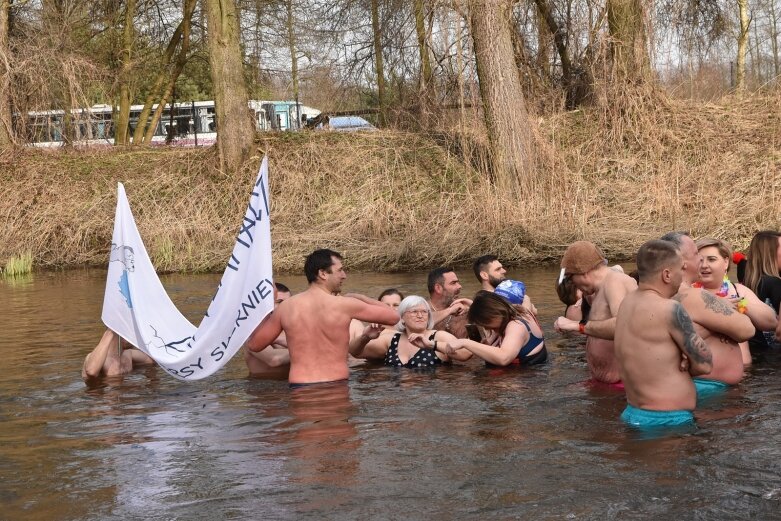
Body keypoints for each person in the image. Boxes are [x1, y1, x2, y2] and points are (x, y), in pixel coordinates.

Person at [245, 249, 400, 385]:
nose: (344, 275)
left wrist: (267, 301)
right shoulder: (345, 304)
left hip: (300, 386)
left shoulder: (286, 307)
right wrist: (360, 297)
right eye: (340, 270)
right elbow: (393, 317)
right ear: (323, 273)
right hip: (335, 384)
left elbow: (255, 345)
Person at [614, 240, 713, 428]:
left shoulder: (627, 303)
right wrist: (686, 362)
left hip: (633, 412)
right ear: (667, 274)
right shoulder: (670, 308)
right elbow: (705, 365)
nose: (682, 276)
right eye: (681, 270)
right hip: (667, 420)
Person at [661, 232, 755, 396]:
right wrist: (721, 321)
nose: (701, 261)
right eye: (697, 254)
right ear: (682, 262)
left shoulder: (653, 295)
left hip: (687, 388)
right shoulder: (697, 297)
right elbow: (746, 330)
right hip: (708, 393)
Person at [553, 241, 637, 385]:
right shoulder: (599, 288)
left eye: (572, 279)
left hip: (622, 386)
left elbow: (621, 326)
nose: (574, 285)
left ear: (584, 272)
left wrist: (577, 325)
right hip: (606, 384)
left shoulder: (615, 282)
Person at [695, 237, 776, 365]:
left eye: (711, 259)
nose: (704, 265)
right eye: (699, 260)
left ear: (726, 262)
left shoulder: (738, 291)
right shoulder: (687, 293)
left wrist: (740, 305)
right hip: (704, 373)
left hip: (747, 373)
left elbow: (771, 322)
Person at [349, 296, 471, 367]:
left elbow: (465, 354)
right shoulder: (391, 340)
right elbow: (356, 353)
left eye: (424, 312)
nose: (420, 315)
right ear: (402, 317)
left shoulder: (438, 336)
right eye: (414, 312)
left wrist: (433, 346)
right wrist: (366, 337)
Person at [448, 291, 547, 366]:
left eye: (485, 324)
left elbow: (504, 358)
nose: (486, 328)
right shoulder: (518, 310)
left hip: (527, 381)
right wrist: (472, 305)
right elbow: (526, 299)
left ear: (492, 315)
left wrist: (465, 343)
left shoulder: (516, 326)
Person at [244, 282, 293, 378]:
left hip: (290, 387)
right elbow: (274, 359)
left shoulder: (292, 329)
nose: (285, 306)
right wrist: (307, 351)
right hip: (265, 389)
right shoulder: (252, 333)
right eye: (279, 302)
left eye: (288, 302)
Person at [743, 230, 781, 351]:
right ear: (769, 254)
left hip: (754, 352)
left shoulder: (749, 283)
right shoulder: (775, 283)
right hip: (773, 357)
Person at [82, 329, 155, 382]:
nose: (132, 339)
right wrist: (111, 330)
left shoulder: (128, 354)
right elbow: (91, 371)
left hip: (124, 400)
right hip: (103, 401)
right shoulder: (94, 357)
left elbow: (153, 360)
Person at [473, 255, 537, 314]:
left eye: (502, 268)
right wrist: (526, 298)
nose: (504, 271)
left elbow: (534, 311)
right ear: (484, 275)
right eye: (498, 269)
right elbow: (526, 313)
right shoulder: (485, 300)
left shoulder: (508, 293)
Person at [427, 267, 472, 339]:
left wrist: (473, 307)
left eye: (458, 282)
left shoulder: (465, 308)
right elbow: (423, 322)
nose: (460, 286)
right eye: (453, 283)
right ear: (438, 288)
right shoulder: (421, 308)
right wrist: (449, 311)